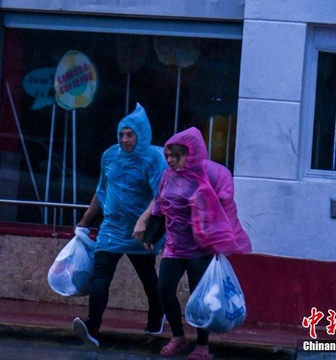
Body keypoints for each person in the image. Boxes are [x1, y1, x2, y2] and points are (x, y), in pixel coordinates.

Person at [142, 127, 252, 360]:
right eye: (168, 155)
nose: (170, 160)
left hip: (200, 249)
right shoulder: (167, 177)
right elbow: (161, 209)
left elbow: (222, 205)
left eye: (176, 155)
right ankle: (179, 336)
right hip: (174, 246)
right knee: (164, 289)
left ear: (189, 154)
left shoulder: (208, 175)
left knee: (201, 297)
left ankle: (203, 345)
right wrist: (151, 236)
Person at [72, 103, 168, 347]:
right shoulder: (109, 156)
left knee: (148, 277)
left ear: (141, 135)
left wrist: (144, 220)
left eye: (130, 135)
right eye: (122, 134)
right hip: (111, 228)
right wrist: (84, 220)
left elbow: (161, 195)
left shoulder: (152, 160)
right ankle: (93, 326)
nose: (125, 140)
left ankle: (157, 315)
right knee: (100, 276)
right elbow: (101, 190)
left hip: (139, 231)